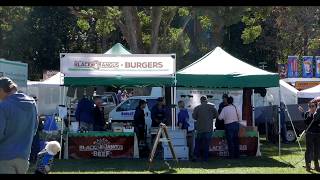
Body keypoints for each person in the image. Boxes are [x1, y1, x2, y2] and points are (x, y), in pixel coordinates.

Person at [0, 77, 38, 174]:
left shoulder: (3, 106)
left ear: (1, 90)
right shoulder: (32, 104)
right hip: (24, 157)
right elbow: (34, 130)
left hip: (4, 157)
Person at [192, 96, 218, 162]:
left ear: (201, 101)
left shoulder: (197, 108)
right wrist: (210, 117)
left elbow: (194, 117)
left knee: (198, 143)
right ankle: (205, 158)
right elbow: (216, 115)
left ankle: (195, 156)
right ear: (206, 100)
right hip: (209, 129)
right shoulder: (212, 106)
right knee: (206, 144)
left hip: (200, 129)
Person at [298, 100, 320, 171]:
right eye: (309, 106)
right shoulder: (308, 113)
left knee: (317, 150)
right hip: (310, 134)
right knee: (309, 150)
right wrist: (310, 115)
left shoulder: (318, 113)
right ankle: (308, 165)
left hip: (318, 134)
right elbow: (306, 122)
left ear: (316, 106)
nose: (311, 107)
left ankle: (317, 166)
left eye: (313, 106)